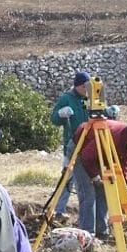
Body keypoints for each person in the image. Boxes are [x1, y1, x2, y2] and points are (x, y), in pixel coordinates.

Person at [77, 120, 127, 239]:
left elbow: (123, 164)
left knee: (103, 192)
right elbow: (86, 156)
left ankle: (101, 232)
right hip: (81, 150)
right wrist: (94, 176)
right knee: (88, 194)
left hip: (101, 156)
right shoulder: (112, 136)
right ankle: (87, 236)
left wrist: (124, 185)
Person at [50, 70, 92, 222]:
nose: (87, 90)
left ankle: (85, 217)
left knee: (87, 182)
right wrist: (60, 114)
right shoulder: (66, 99)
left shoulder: (89, 99)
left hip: (90, 145)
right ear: (78, 86)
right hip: (72, 144)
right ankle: (58, 210)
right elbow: (54, 119)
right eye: (84, 87)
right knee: (68, 179)